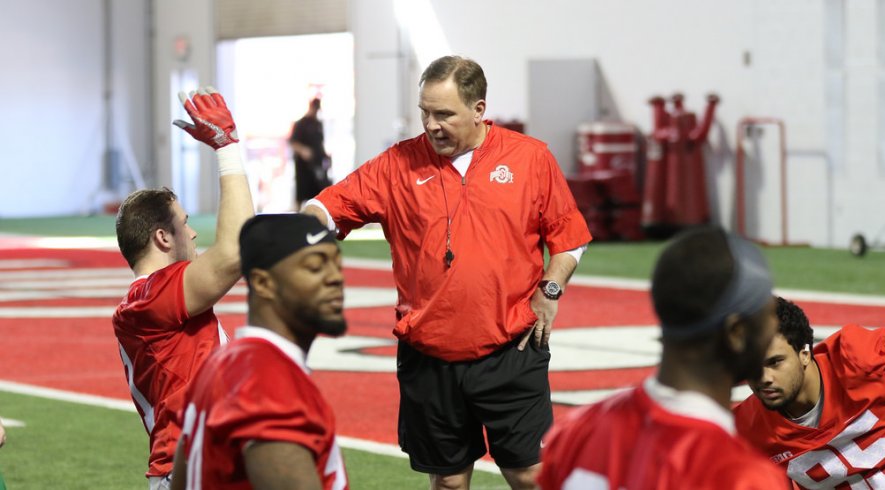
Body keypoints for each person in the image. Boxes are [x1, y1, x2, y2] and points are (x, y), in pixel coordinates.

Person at [303, 55, 592, 490]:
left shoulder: (530, 158)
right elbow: (326, 207)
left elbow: (569, 237)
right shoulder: (396, 165)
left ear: (479, 110)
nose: (431, 125)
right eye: (425, 112)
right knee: (450, 483)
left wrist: (550, 289)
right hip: (429, 355)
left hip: (511, 348)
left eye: (444, 114)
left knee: (530, 475)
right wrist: (304, 226)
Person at [537, 226, 788, 489]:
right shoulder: (742, 477)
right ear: (736, 332)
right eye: (768, 313)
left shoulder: (576, 431)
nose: (774, 326)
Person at [112, 86, 254, 490]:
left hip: (206, 462)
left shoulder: (152, 297)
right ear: (162, 237)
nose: (192, 233)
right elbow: (233, 253)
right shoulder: (149, 298)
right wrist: (226, 147)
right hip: (190, 468)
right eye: (184, 222)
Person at [170, 213, 349, 490]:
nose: (335, 279)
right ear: (264, 283)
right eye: (315, 267)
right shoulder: (269, 382)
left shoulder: (224, 361)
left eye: (337, 266)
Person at [735, 297, 885, 488]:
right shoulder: (745, 431)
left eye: (775, 362)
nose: (764, 377)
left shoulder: (865, 362)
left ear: (805, 354)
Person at [290, 97, 330, 209]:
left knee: (320, 192)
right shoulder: (300, 124)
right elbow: (293, 142)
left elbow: (320, 143)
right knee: (301, 193)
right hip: (304, 167)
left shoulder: (318, 124)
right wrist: (303, 150)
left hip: (317, 165)